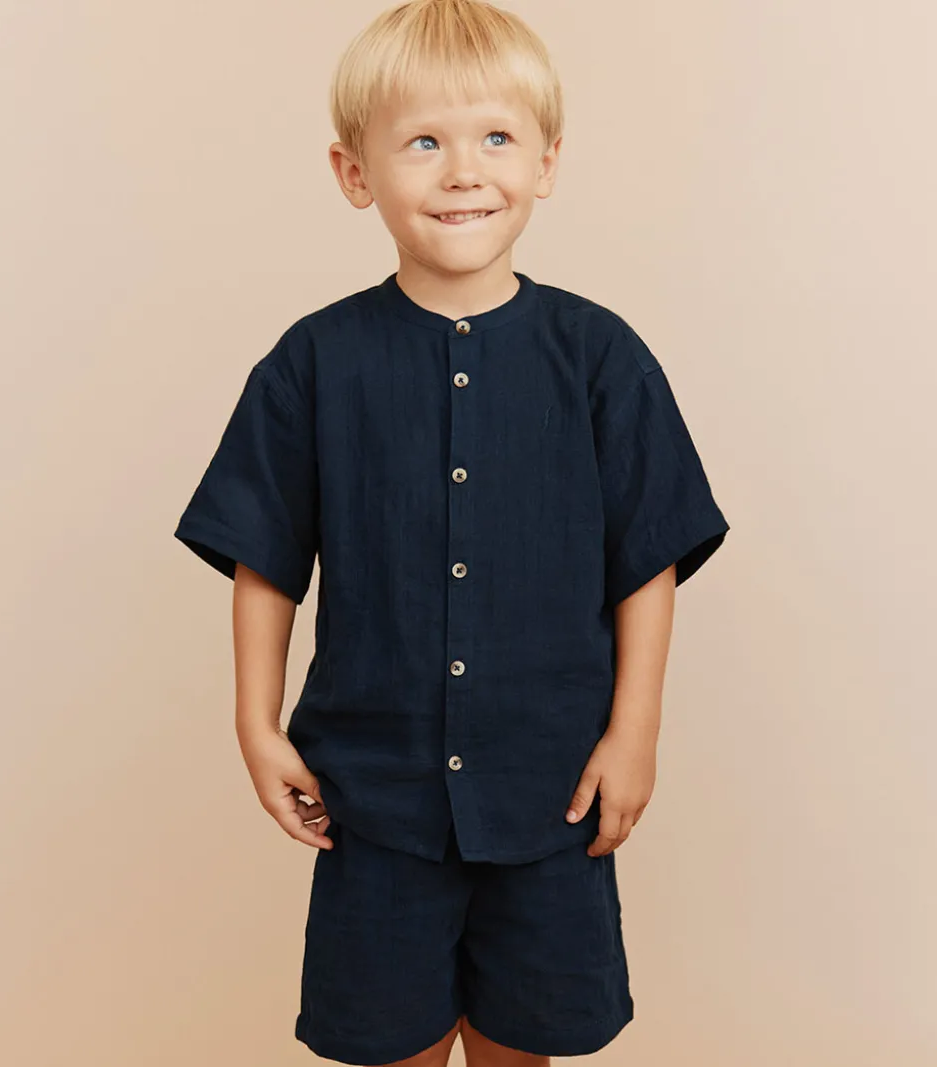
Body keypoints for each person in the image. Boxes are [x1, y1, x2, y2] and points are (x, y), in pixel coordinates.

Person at [173, 0, 731, 1063]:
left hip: (551, 789)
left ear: (547, 162)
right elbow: (264, 557)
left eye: (497, 137)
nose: (463, 171)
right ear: (355, 172)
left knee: (524, 1042)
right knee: (391, 1043)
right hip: (374, 797)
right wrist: (256, 722)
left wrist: (635, 731)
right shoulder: (312, 362)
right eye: (423, 141)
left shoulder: (601, 357)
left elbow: (646, 559)